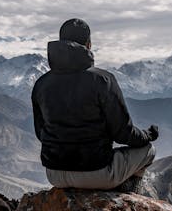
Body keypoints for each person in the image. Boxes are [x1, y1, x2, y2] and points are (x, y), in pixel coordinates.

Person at [31, 18, 159, 191]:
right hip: (97, 172)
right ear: (89, 44)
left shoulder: (41, 84)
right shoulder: (103, 80)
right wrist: (147, 135)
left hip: (55, 174)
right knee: (148, 150)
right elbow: (123, 133)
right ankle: (124, 193)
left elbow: (41, 133)